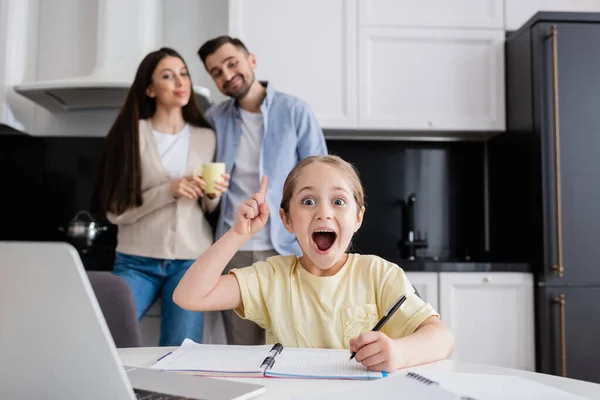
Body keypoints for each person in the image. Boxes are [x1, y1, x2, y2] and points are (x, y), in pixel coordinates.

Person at [173, 155, 455, 372]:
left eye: (338, 201)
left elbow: (442, 339)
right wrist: (237, 235)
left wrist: (398, 353)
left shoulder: (379, 274)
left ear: (357, 218)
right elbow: (188, 296)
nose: (323, 213)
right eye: (308, 201)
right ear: (286, 219)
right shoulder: (273, 276)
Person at [196, 35, 328, 345]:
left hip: (286, 248)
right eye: (216, 71)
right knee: (241, 349)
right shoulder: (213, 119)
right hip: (234, 247)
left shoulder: (295, 111)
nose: (227, 75)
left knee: (291, 343)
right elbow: (208, 197)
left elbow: (322, 179)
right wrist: (210, 194)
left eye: (232, 63)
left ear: (251, 60)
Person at [96, 47, 229, 346]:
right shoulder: (130, 134)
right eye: (168, 76)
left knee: (181, 352)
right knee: (104, 340)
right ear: (150, 89)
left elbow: (207, 206)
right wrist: (168, 191)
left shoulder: (206, 136)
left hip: (190, 261)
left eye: (184, 74)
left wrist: (212, 193)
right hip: (135, 261)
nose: (180, 82)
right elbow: (116, 211)